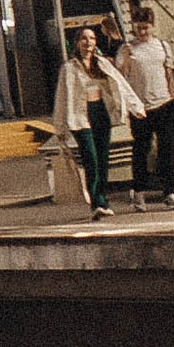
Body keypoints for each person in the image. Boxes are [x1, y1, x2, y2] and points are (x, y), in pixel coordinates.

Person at [54, 20, 140, 217]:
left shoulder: (101, 63)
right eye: (84, 39)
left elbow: (121, 84)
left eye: (92, 38)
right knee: (91, 159)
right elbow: (61, 97)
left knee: (102, 158)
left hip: (100, 112)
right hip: (80, 117)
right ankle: (96, 203)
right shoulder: (69, 68)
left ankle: (102, 199)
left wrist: (136, 106)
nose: (88, 42)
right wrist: (59, 127)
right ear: (77, 43)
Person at [123, 8, 174, 205]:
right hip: (140, 106)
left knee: (168, 149)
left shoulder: (162, 46)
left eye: (145, 28)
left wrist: (173, 96)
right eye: (138, 28)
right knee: (141, 149)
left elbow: (168, 73)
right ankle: (139, 190)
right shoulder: (128, 49)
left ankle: (171, 191)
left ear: (152, 26)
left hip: (164, 102)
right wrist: (126, 58)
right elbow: (122, 76)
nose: (142, 32)